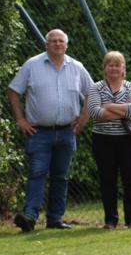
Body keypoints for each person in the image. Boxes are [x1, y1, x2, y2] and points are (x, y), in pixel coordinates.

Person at [8, 29, 93, 232]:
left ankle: (55, 219)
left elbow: (92, 93)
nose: (57, 44)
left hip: (66, 132)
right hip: (39, 132)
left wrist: (83, 119)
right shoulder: (32, 65)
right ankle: (29, 217)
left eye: (61, 41)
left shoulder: (77, 67)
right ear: (46, 45)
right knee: (37, 173)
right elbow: (13, 91)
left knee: (60, 176)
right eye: (53, 41)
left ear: (66, 45)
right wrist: (20, 119)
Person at [87, 51, 131, 229]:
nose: (114, 68)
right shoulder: (96, 88)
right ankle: (110, 220)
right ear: (105, 68)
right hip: (103, 141)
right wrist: (122, 111)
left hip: (129, 140)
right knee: (107, 180)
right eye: (110, 65)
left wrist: (108, 106)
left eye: (117, 65)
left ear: (123, 68)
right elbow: (94, 113)